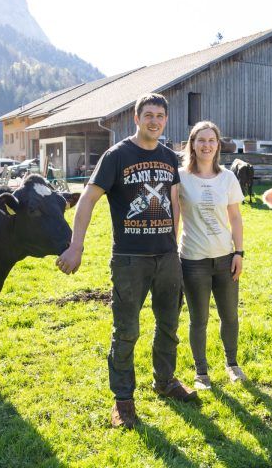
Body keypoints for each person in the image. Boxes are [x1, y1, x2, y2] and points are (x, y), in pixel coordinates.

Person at [56, 92, 197, 429]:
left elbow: (174, 200)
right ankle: (123, 401)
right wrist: (76, 246)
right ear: (136, 119)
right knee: (126, 331)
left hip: (166, 257)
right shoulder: (116, 156)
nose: (154, 121)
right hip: (130, 260)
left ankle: (165, 382)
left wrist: (174, 245)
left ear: (165, 120)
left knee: (169, 325)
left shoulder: (168, 156)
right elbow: (88, 200)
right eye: (148, 115)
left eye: (160, 116)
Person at [178, 121, 246, 390]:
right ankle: (201, 372)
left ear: (218, 145)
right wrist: (173, 253)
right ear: (192, 144)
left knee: (230, 316)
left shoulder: (228, 177)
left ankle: (232, 364)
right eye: (201, 140)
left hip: (225, 259)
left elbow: (236, 219)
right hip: (193, 260)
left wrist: (239, 252)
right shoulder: (181, 177)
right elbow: (174, 218)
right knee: (199, 319)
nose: (206, 145)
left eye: (212, 140)